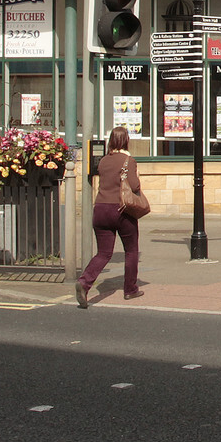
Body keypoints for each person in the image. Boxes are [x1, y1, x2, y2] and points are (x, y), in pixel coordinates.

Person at [77, 126, 146, 308]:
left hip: (100, 209)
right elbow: (134, 186)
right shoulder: (128, 160)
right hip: (121, 210)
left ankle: (84, 282)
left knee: (103, 253)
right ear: (126, 140)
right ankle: (130, 289)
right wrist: (137, 176)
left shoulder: (103, 161)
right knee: (131, 250)